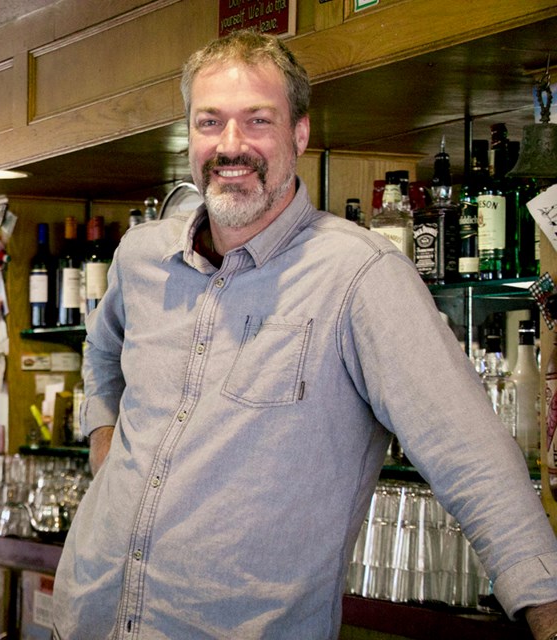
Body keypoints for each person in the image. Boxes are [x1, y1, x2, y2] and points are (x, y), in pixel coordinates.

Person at [51, 28, 557, 639]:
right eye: (210, 123)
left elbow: (471, 455)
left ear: (299, 133)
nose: (230, 145)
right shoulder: (141, 255)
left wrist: (547, 607)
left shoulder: (361, 276)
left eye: (257, 120)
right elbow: (102, 351)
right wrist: (103, 433)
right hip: (86, 617)